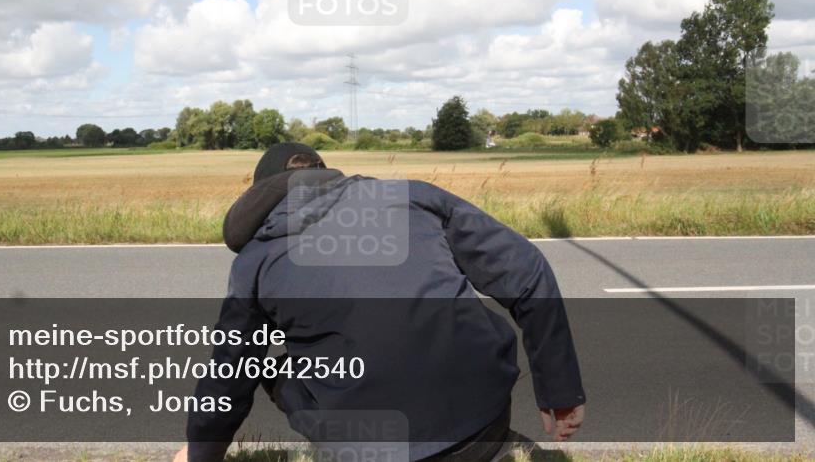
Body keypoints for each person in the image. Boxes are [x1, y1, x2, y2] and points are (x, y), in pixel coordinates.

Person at [177, 143, 585, 462]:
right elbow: (527, 269)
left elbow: (228, 375)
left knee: (263, 359)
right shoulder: (414, 197)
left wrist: (201, 450)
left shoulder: (255, 260)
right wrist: (559, 389)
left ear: (262, 198)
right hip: (484, 429)